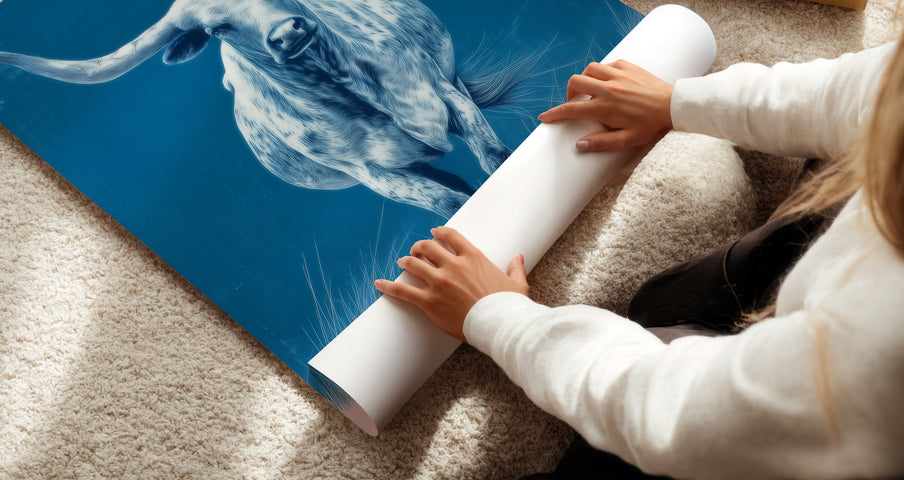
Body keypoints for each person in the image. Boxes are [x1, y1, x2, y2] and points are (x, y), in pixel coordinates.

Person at [375, 37, 904, 479]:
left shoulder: (878, 349)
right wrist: (678, 102)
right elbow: (865, 90)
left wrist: (499, 317)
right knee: (670, 302)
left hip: (829, 430)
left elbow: (676, 413)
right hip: (836, 312)